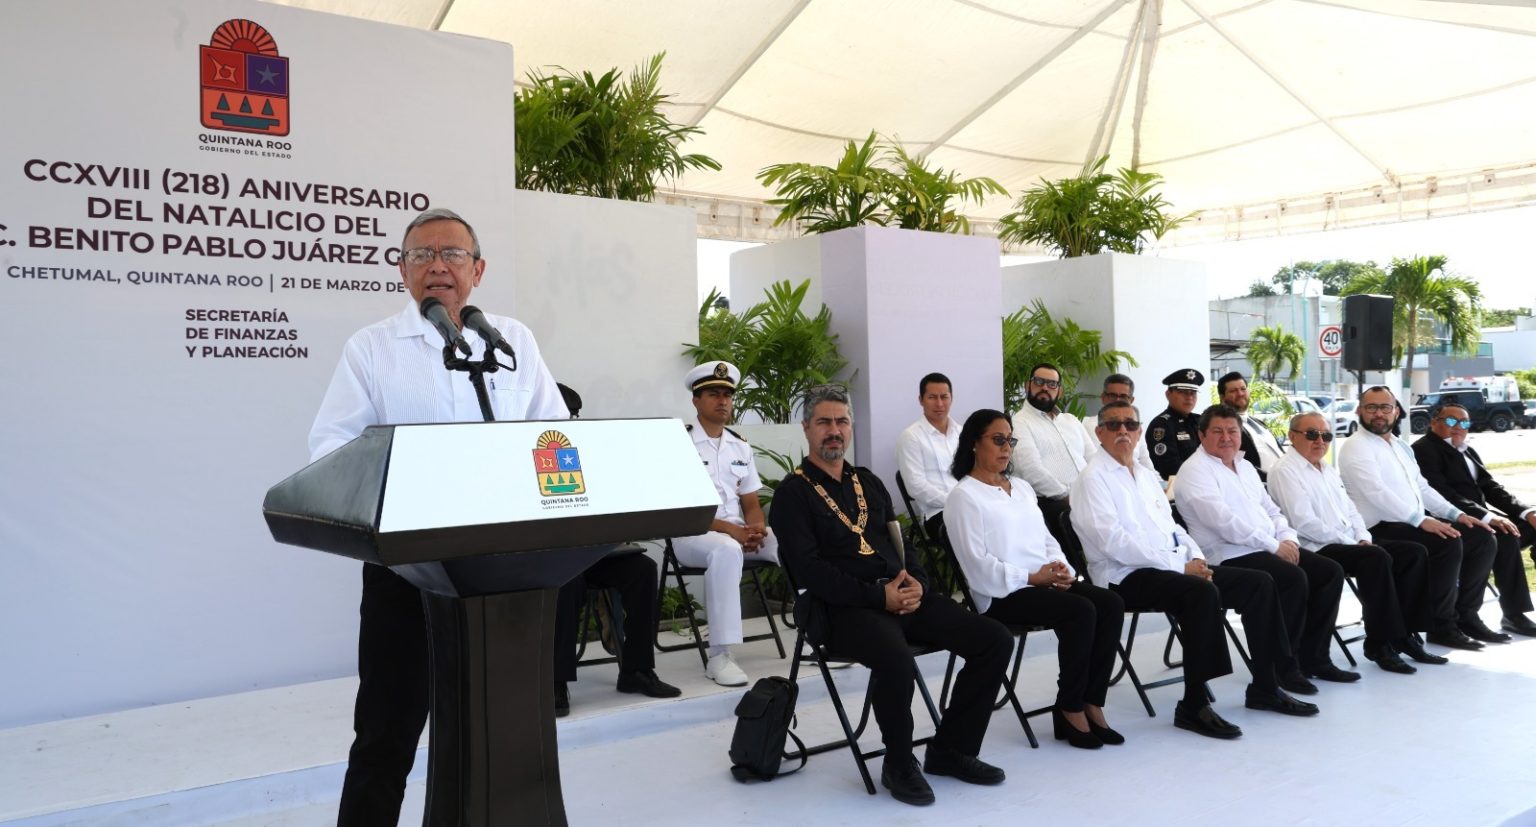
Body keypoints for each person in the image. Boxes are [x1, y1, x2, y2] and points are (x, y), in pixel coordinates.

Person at [309, 208, 572, 826]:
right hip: (407, 567)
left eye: (452, 254)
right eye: (421, 255)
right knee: (387, 732)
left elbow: (557, 434)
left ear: (478, 270)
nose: (437, 266)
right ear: (402, 270)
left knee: (505, 730)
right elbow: (331, 449)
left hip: (506, 572)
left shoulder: (510, 341)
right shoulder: (372, 348)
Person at [770, 385, 1011, 806]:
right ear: (806, 428)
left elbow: (901, 542)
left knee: (993, 639)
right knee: (895, 658)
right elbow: (809, 571)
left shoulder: (866, 481)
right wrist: (877, 597)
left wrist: (917, 582)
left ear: (851, 427)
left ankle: (951, 750)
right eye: (824, 422)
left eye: (842, 421)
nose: (834, 430)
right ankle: (899, 763)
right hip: (840, 609)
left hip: (899, 595)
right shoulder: (793, 493)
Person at [1071, 401, 1317, 741]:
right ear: (1099, 433)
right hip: (1123, 575)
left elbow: (1174, 528)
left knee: (1258, 584)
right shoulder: (1092, 479)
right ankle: (1194, 704)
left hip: (1170, 567)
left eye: (1130, 424)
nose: (1123, 431)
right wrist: (1180, 566)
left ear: (1139, 432)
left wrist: (1196, 559)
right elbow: (1113, 542)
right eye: (1114, 425)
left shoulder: (1144, 476)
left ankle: (1265, 685)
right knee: (1200, 593)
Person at [945, 409, 1126, 750]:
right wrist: (1031, 577)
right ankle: (1069, 707)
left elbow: (1045, 539)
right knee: (1080, 611)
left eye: (1009, 440)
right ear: (973, 443)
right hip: (1003, 592)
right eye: (997, 440)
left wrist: (1060, 568)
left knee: (1110, 603)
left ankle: (1091, 700)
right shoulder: (964, 496)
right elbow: (977, 566)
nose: (1006, 447)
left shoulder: (1022, 488)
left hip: (1043, 581)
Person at [1176, 405, 1354, 690]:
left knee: (1328, 572)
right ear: (1201, 435)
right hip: (1227, 554)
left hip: (1265, 547)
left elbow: (1272, 510)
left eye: (1232, 431)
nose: (1226, 438)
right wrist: (1273, 545)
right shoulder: (1195, 471)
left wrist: (1288, 538)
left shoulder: (1245, 467)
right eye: (1218, 431)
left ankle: (1314, 658)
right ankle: (1283, 667)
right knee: (1291, 578)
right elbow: (1224, 522)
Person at [1267, 412, 1438, 673]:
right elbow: (1304, 523)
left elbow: (1351, 511)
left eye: (1326, 435)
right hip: (1315, 546)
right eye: (1311, 434)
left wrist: (1362, 538)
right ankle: (1380, 643)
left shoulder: (1326, 468)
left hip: (1348, 541)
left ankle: (1404, 635)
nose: (1320, 441)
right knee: (1375, 558)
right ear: (1292, 436)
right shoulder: (1285, 470)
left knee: (1413, 553)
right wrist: (1352, 543)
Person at [1338, 386, 1497, 651]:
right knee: (1446, 543)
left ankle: (1465, 616)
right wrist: (1420, 520)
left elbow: (1422, 487)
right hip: (1379, 528)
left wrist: (1457, 514)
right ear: (1359, 411)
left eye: (1385, 407)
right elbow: (1377, 493)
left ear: (1396, 412)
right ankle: (1441, 626)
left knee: (1481, 537)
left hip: (1408, 522)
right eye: (1371, 407)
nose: (1379, 414)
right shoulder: (1355, 447)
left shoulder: (1400, 445)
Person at [672, 361, 781, 686]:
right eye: (713, 394)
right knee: (726, 550)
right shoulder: (679, 443)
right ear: (696, 400)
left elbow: (751, 503)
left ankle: (817, 633)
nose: (722, 401)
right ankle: (719, 656)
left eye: (727, 395)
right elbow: (683, 510)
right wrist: (733, 532)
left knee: (792, 539)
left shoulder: (739, 445)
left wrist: (756, 529)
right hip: (693, 535)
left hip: (738, 535)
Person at [1412, 401, 1536, 637]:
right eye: (1451, 421)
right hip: (1453, 521)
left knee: (1530, 526)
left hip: (1482, 519)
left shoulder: (1467, 449)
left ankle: (1514, 613)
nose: (1458, 426)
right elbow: (1444, 494)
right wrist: (1488, 517)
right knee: (1505, 536)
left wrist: (1527, 512)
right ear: (1433, 422)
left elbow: (1491, 488)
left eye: (1464, 422)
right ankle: (1513, 614)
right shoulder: (1424, 450)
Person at [1010, 363, 1094, 552]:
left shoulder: (1071, 421)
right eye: (1039, 382)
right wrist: (1069, 496)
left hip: (1087, 497)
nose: (1045, 388)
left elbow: (1094, 460)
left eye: (1052, 384)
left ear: (1059, 391)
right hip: (1052, 502)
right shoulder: (1018, 422)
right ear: (1027, 386)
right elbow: (1030, 471)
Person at [895, 372, 961, 538]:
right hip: (938, 514)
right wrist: (955, 502)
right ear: (921, 400)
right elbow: (916, 486)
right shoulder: (911, 437)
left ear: (951, 398)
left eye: (944, 397)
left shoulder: (962, 433)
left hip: (971, 508)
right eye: (932, 397)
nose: (939, 403)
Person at [1082, 373, 1158, 480]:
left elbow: (1147, 465)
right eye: (1112, 396)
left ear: (1131, 400)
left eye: (1123, 396)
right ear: (1103, 397)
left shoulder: (1134, 427)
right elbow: (1095, 464)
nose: (1118, 400)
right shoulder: (1087, 425)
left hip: (1139, 481)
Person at [1216, 371, 1284, 479]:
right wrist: (1272, 479)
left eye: (1243, 389)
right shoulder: (1223, 428)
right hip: (1262, 484)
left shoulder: (1258, 423)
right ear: (1222, 397)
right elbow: (1237, 465)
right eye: (1233, 391)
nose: (1240, 394)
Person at [1147, 368, 1205, 480]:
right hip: (1180, 486)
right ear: (1168, 394)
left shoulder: (1200, 421)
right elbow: (1169, 467)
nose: (1189, 397)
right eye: (1182, 392)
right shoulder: (1161, 425)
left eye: (1193, 393)